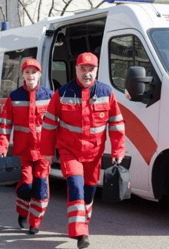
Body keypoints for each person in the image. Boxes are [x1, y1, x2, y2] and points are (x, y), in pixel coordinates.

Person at [41, 52, 125, 248]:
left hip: (94, 153)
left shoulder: (106, 93)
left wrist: (118, 151)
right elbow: (49, 125)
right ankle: (81, 233)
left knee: (88, 191)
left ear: (96, 70)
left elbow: (116, 124)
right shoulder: (62, 93)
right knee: (76, 186)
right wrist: (47, 151)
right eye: (83, 69)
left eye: (91, 69)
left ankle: (83, 222)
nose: (87, 73)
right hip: (69, 150)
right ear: (76, 70)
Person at [0, 58, 52, 234]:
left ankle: (35, 223)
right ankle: (22, 212)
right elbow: (5, 125)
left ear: (39, 74)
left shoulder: (49, 96)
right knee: (26, 185)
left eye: (34, 72)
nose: (30, 75)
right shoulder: (14, 97)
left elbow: (57, 124)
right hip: (22, 152)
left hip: (43, 153)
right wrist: (1, 148)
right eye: (27, 72)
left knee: (41, 188)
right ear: (23, 74)